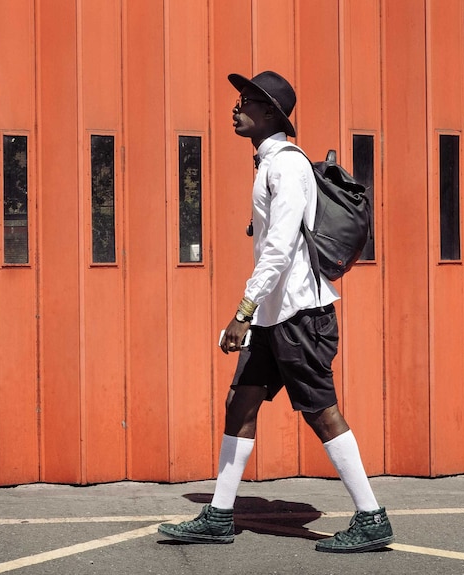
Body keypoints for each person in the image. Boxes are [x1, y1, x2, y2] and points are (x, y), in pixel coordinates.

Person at [158, 71, 394, 553]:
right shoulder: (269, 164)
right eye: (238, 100)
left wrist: (243, 309)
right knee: (240, 403)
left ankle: (372, 517)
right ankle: (219, 514)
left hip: (300, 316)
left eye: (246, 102)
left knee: (321, 412)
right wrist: (255, 311)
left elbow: (280, 248)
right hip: (274, 314)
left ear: (271, 114)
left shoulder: (285, 167)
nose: (235, 108)